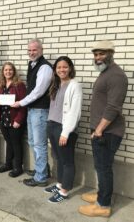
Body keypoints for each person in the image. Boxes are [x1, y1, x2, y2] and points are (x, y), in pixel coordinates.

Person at [78, 40, 128, 217]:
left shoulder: (116, 76)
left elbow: (113, 107)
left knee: (104, 168)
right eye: (96, 54)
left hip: (107, 132)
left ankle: (103, 205)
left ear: (111, 54)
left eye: (102, 53)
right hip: (102, 130)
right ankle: (101, 195)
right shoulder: (106, 72)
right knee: (101, 167)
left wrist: (99, 129)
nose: (97, 57)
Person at [12, 39, 53, 187]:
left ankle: (41, 177)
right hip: (32, 109)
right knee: (32, 142)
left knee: (39, 144)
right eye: (29, 50)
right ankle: (40, 170)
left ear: (41, 50)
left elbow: (38, 91)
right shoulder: (32, 64)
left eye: (34, 50)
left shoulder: (45, 68)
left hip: (40, 110)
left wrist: (20, 102)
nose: (31, 53)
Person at [44, 56, 82, 203]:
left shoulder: (74, 85)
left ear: (70, 68)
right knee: (59, 158)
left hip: (64, 128)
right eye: (59, 67)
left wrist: (66, 132)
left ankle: (64, 191)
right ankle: (60, 185)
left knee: (67, 161)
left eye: (65, 67)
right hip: (52, 125)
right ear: (55, 70)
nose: (62, 70)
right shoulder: (56, 84)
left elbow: (75, 111)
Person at [0, 62, 27, 177]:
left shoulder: (19, 85)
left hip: (14, 120)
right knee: (9, 142)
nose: (8, 72)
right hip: (3, 119)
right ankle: (8, 164)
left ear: (14, 71)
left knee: (16, 144)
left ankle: (18, 167)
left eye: (10, 70)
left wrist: (19, 120)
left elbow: (23, 104)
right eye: (6, 70)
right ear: (3, 72)